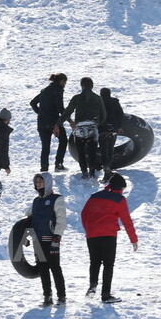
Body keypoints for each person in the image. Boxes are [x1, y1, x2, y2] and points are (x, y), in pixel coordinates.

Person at [81, 173, 138, 303]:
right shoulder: (119, 199)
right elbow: (126, 221)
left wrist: (88, 230)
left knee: (94, 261)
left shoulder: (94, 196)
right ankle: (105, 295)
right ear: (121, 188)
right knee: (108, 264)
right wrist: (133, 239)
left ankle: (92, 286)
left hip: (92, 234)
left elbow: (84, 214)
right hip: (108, 235)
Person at [27, 173, 67, 306]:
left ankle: (61, 296)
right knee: (43, 269)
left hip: (51, 240)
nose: (38, 183)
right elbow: (28, 218)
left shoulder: (57, 199)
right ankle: (47, 296)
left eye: (41, 181)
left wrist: (57, 238)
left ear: (48, 182)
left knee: (55, 268)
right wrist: (24, 236)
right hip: (37, 240)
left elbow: (61, 220)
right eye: (36, 181)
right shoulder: (36, 201)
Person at [61, 77, 106, 180]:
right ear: (92, 86)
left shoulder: (76, 98)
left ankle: (84, 173)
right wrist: (97, 124)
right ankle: (92, 172)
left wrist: (60, 123)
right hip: (92, 127)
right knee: (92, 152)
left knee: (81, 152)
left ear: (82, 86)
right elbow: (104, 115)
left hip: (80, 128)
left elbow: (67, 112)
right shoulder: (97, 98)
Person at [29, 73, 69, 172]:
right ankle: (58, 164)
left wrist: (40, 113)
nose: (65, 84)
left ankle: (44, 168)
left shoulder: (44, 91)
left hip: (42, 122)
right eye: (65, 82)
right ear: (62, 81)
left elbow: (33, 102)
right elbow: (60, 108)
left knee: (45, 146)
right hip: (53, 122)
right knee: (63, 140)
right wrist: (70, 120)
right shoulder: (58, 90)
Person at [98, 87, 125, 184]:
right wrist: (120, 126)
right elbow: (120, 114)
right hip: (113, 129)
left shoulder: (98, 101)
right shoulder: (115, 102)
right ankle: (108, 168)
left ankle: (106, 170)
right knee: (110, 149)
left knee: (103, 149)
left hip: (102, 129)